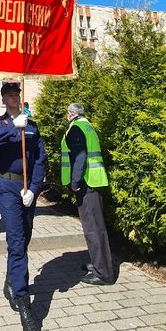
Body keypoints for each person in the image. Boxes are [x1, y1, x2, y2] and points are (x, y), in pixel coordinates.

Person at [0, 82, 47, 331]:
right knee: (17, 242)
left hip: (26, 187)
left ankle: (12, 279)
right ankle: (26, 313)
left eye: (17, 94)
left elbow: (40, 159)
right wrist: (13, 127)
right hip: (7, 186)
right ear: (3, 99)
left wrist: (34, 188)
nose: (14, 97)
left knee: (26, 236)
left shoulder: (32, 126)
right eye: (10, 95)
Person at [62, 102, 115, 285]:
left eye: (67, 114)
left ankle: (103, 273)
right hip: (94, 181)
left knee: (93, 229)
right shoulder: (88, 126)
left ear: (70, 114)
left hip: (87, 183)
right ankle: (99, 264)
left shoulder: (76, 128)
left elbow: (80, 157)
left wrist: (75, 182)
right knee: (97, 227)